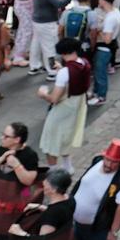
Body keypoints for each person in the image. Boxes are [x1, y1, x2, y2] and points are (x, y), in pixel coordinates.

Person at [72, 139, 120, 240]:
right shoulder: (97, 161)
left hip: (98, 230)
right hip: (78, 225)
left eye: (114, 162)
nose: (109, 165)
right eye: (108, 160)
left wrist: (113, 232)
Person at [37, 38, 90, 172]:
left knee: (51, 139)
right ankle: (67, 165)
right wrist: (63, 69)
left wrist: (43, 94)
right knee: (67, 136)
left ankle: (53, 170)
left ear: (62, 53)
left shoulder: (64, 73)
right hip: (78, 105)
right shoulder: (84, 63)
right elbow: (75, 75)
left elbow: (54, 98)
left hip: (63, 108)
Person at [7, 167, 74, 238]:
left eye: (46, 184)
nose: (43, 183)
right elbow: (62, 214)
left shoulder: (51, 215)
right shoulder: (70, 199)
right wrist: (41, 207)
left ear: (54, 189)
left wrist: (19, 232)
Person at [28, 0, 69, 76]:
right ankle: (52, 71)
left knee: (36, 43)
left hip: (37, 21)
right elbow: (59, 4)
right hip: (47, 22)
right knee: (50, 46)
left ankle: (34, 65)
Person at [88, 0, 120, 106]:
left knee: (100, 72)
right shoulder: (116, 11)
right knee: (98, 71)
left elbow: (107, 40)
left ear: (103, 1)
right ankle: (96, 93)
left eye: (100, 0)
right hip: (110, 48)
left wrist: (99, 31)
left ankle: (101, 96)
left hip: (104, 48)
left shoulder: (110, 18)